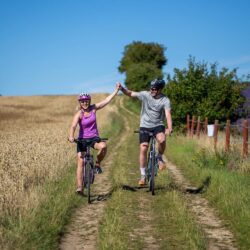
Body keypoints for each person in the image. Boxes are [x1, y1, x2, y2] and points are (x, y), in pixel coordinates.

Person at [118, 79, 172, 186]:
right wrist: (122, 88)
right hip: (145, 125)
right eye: (151, 88)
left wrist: (169, 128)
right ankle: (143, 176)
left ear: (160, 89)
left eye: (154, 89)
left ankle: (159, 157)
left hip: (158, 125)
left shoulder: (165, 100)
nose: (152, 90)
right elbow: (130, 93)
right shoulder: (145, 95)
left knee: (162, 139)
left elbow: (167, 114)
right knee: (143, 148)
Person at [69, 84, 120, 194]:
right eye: (82, 101)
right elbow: (73, 126)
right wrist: (71, 136)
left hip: (93, 138)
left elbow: (107, 100)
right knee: (81, 162)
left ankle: (97, 164)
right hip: (82, 140)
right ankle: (79, 187)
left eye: (86, 101)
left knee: (104, 146)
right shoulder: (79, 114)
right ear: (80, 103)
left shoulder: (94, 108)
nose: (85, 103)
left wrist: (116, 91)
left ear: (89, 101)